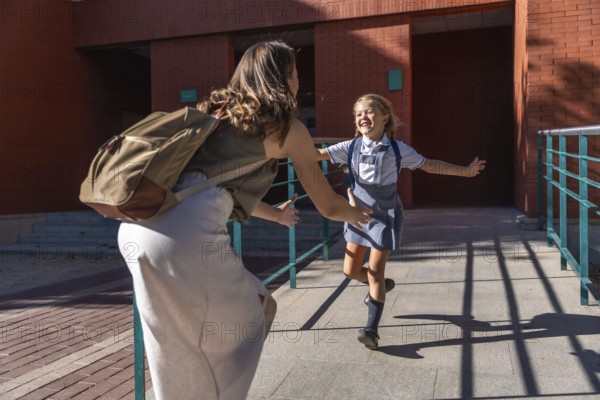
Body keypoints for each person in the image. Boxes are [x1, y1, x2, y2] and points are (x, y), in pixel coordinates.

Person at [117, 41, 372, 400]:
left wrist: (276, 214)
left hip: (137, 230)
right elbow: (328, 206)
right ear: (283, 78)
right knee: (254, 313)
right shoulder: (288, 129)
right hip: (185, 238)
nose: (299, 81)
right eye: (295, 73)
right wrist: (362, 212)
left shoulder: (217, 113)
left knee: (172, 348)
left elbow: (209, 188)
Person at [316, 93, 486, 350]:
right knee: (350, 271)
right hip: (356, 215)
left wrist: (465, 171)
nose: (363, 117)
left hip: (384, 215)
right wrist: (279, 146)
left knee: (374, 270)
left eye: (369, 111)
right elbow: (315, 154)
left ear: (385, 118)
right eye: (359, 113)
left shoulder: (398, 150)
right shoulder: (349, 147)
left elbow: (430, 165)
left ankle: (371, 329)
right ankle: (382, 287)